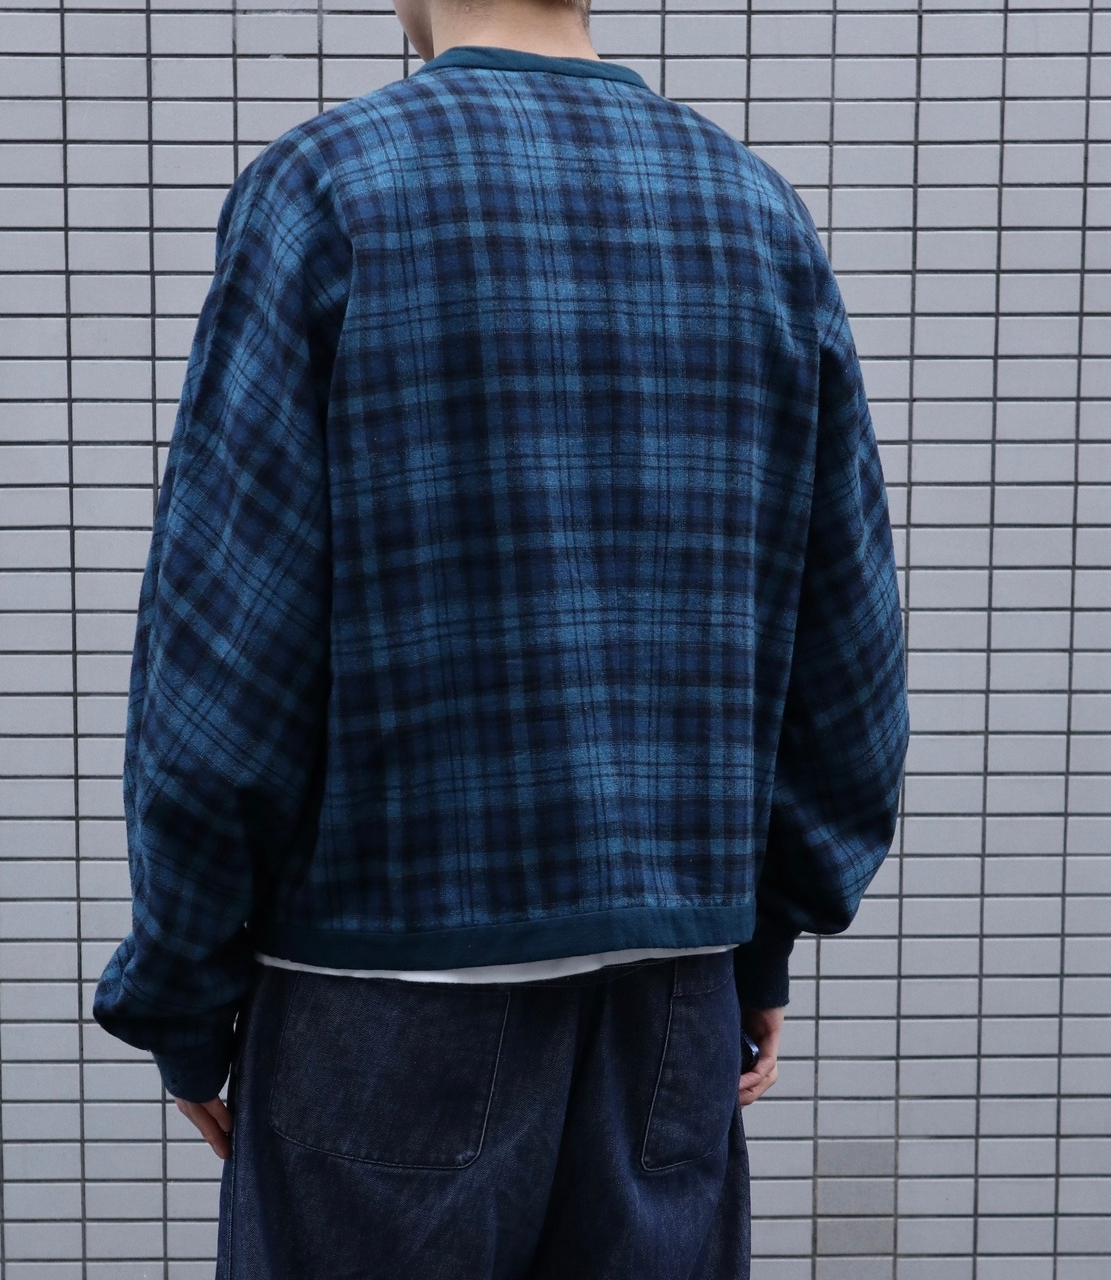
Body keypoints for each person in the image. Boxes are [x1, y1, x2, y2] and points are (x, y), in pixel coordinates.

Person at [91, 0, 910, 1274]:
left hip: (382, 990)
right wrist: (761, 934)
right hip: (667, 995)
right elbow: (845, 650)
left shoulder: (329, 191)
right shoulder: (755, 213)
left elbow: (224, 649)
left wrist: (183, 990)